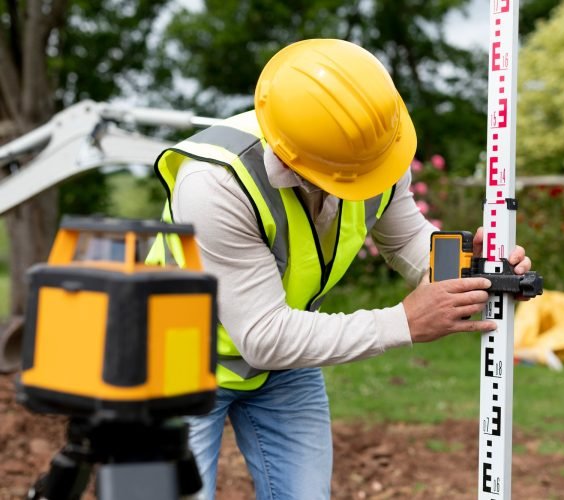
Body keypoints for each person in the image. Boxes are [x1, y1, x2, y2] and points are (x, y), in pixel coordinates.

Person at [153, 38, 532, 499]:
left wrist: (475, 269)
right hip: (177, 364)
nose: (374, 176)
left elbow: (405, 238)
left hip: (285, 364)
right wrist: (403, 322)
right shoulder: (214, 185)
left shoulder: (372, 148)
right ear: (297, 164)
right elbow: (264, 336)